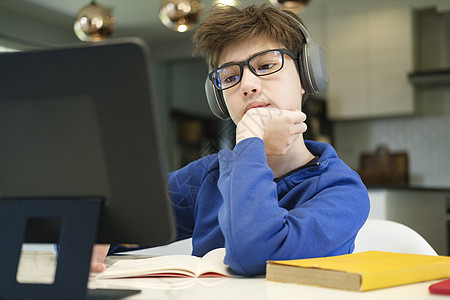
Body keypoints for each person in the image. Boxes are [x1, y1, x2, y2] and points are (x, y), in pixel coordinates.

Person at [91, 4, 370, 276]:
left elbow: (254, 253)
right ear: (219, 99)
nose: (247, 85)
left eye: (267, 65)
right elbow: (107, 216)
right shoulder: (205, 179)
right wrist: (95, 231)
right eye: (231, 76)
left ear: (306, 76)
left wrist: (250, 141)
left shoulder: (341, 190)